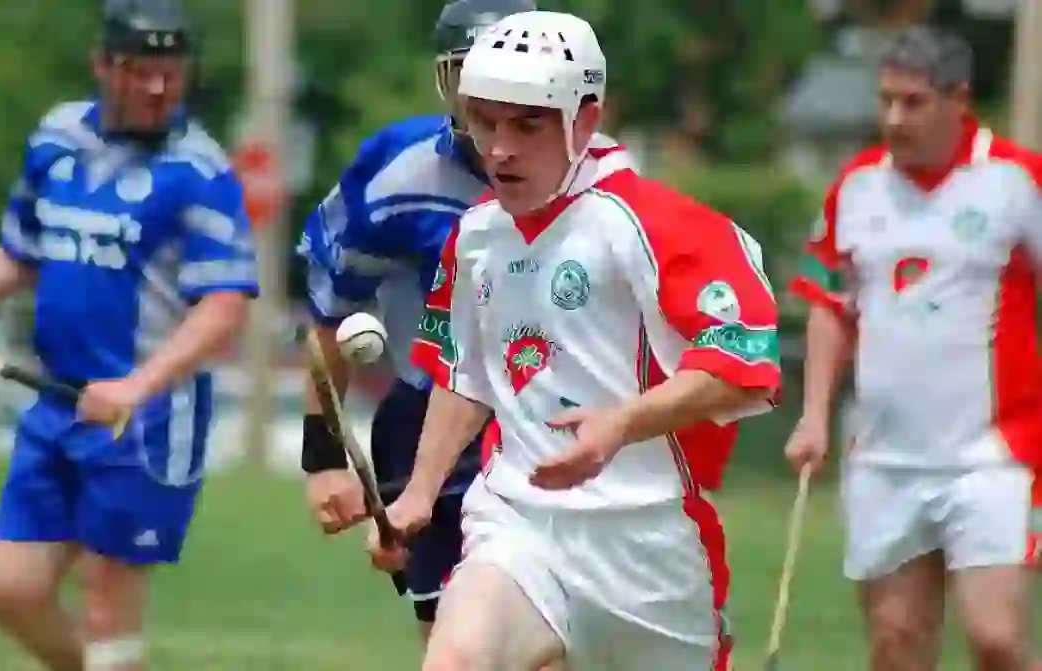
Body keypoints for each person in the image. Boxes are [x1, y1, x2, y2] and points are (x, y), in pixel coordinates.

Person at [369, 9, 781, 670]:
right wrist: (419, 494)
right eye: (485, 121)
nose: (499, 148)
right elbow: (466, 373)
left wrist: (623, 422)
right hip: (520, 529)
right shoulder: (475, 235)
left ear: (584, 121)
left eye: (527, 125)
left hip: (649, 552)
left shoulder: (654, 224)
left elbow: (746, 364)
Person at [0, 1, 257, 669]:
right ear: (103, 64)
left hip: (148, 417)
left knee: (107, 604)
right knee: (12, 592)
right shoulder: (56, 137)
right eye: (139, 70)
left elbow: (224, 305)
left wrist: (137, 384)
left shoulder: (202, 172)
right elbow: (20, 252)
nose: (158, 87)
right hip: (55, 404)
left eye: (171, 70)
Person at [786, 25, 1042, 671]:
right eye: (886, 100)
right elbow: (827, 306)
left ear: (959, 99)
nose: (893, 119)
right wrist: (814, 414)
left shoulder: (1017, 179)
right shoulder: (857, 184)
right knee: (897, 646)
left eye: (913, 102)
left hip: (994, 455)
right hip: (884, 458)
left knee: (996, 638)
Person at [296, 0, 537, 639]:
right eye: (471, 79)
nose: (489, 107)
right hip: (427, 419)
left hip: (549, 426)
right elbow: (330, 310)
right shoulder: (398, 171)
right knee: (454, 639)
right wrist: (321, 455)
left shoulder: (595, 178)